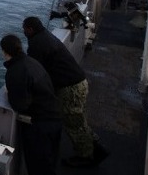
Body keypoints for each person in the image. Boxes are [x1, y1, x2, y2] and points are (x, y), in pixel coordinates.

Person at [22, 16, 109, 168]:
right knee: (78, 120)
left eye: (24, 28)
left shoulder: (37, 44)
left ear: (30, 29)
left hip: (70, 88)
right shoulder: (46, 36)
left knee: (73, 124)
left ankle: (86, 157)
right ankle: (95, 147)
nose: (23, 31)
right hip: (79, 83)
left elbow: (34, 71)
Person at [0, 34, 63, 175]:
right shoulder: (32, 62)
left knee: (38, 166)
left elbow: (20, 105)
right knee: (50, 163)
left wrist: (9, 93)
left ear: (4, 51)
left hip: (40, 127)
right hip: (55, 118)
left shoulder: (15, 71)